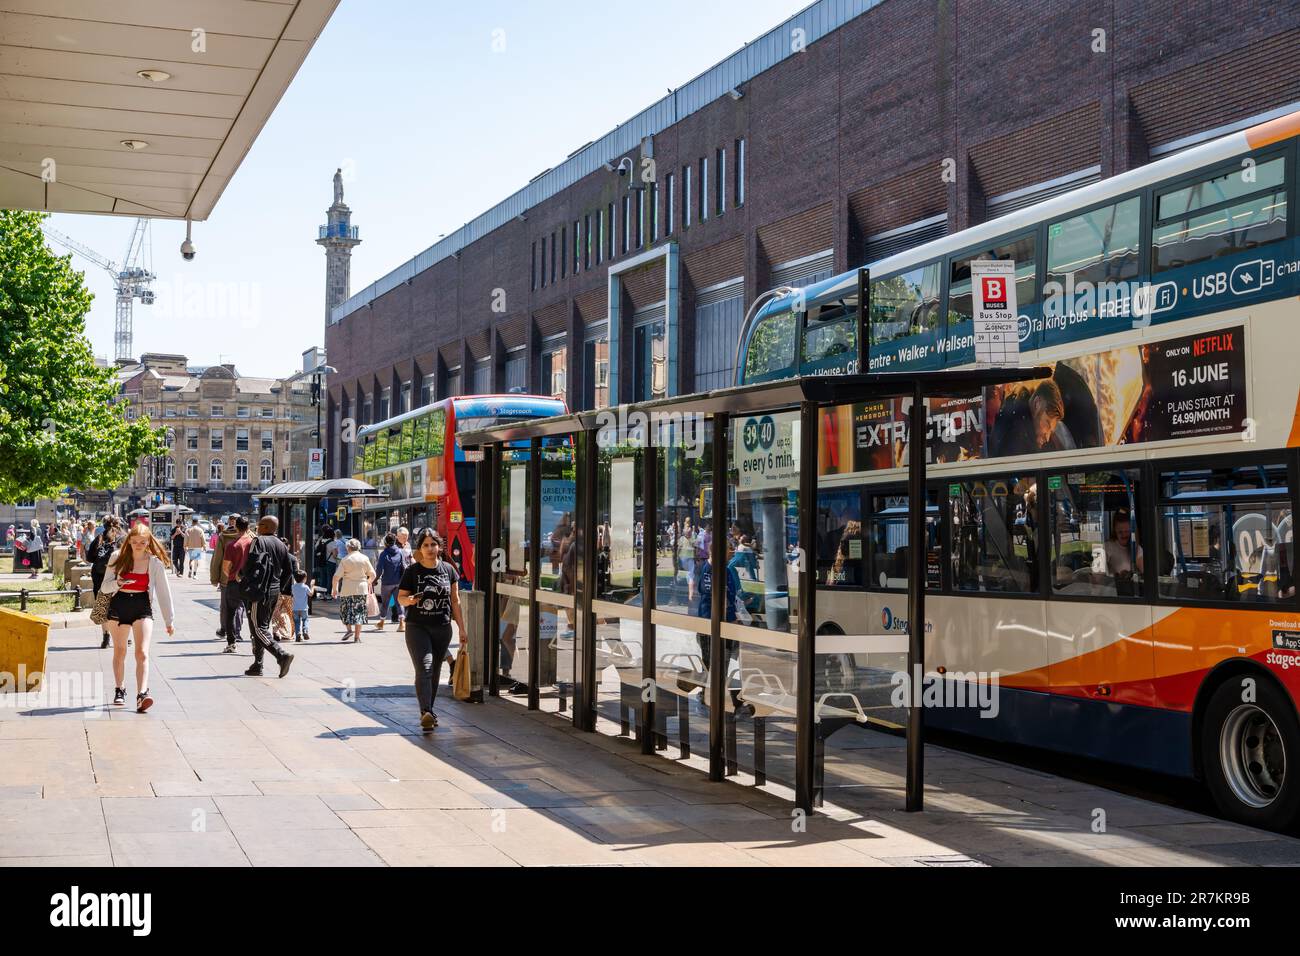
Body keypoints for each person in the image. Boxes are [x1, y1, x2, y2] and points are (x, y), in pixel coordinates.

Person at [396, 529, 467, 731]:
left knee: (435, 671)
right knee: (425, 667)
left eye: (433, 544)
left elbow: (455, 601)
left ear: (439, 547)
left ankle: (430, 711)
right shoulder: (412, 571)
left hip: (443, 627)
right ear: (420, 548)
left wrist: (462, 628)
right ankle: (425, 711)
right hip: (417, 627)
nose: (429, 548)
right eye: (425, 545)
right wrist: (408, 600)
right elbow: (401, 597)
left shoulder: (449, 570)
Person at [100, 523, 175, 712]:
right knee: (120, 650)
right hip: (119, 604)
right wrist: (118, 582)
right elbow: (104, 587)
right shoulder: (117, 557)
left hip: (142, 605)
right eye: (135, 542)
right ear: (129, 541)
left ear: (149, 542)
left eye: (143, 542)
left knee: (142, 652)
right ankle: (120, 688)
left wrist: (169, 621)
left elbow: (164, 593)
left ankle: (142, 694)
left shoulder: (154, 563)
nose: (139, 545)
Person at [238, 516, 296, 678]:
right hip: (274, 591)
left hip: (259, 591)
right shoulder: (281, 545)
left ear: (264, 526)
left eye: (259, 525)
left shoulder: (258, 541)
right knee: (261, 625)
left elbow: (251, 564)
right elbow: (289, 570)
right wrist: (279, 586)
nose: (257, 527)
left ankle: (281, 655)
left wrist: (241, 576)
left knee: (257, 628)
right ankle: (258, 664)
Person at [988, 378, 1065, 458]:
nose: (1047, 437)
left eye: (1051, 431)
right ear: (1037, 404)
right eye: (1047, 424)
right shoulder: (1017, 438)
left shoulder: (1018, 416)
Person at [219, 516, 255, 653]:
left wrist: (231, 576)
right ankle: (254, 640)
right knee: (251, 613)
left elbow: (225, 567)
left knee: (230, 613)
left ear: (236, 527)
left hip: (234, 582)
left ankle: (231, 643)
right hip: (250, 583)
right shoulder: (253, 543)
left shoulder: (232, 546)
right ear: (248, 527)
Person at [331, 538, 376, 643]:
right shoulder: (364, 558)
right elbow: (373, 574)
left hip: (347, 589)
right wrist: (367, 582)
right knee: (359, 613)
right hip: (361, 589)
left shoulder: (345, 559)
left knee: (346, 611)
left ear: (348, 548)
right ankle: (357, 637)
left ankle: (349, 630)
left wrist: (334, 589)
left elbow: (336, 577)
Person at [88, 516, 123, 649]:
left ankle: (106, 637)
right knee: (118, 607)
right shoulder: (121, 539)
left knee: (103, 607)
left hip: (99, 577)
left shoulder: (99, 538)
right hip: (116, 578)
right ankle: (121, 635)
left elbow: (90, 557)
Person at [374, 533, 408, 632]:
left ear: (386, 542)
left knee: (385, 603)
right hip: (398, 582)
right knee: (399, 602)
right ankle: (402, 624)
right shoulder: (400, 552)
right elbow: (404, 566)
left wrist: (375, 580)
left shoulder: (384, 554)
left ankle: (381, 623)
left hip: (386, 583)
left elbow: (379, 569)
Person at [292, 570, 312, 642]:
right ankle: (305, 631)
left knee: (297, 622)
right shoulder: (305, 587)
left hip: (295, 608)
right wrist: (312, 586)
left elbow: (291, 595)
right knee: (305, 620)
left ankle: (298, 634)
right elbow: (310, 594)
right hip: (304, 608)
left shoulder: (293, 587)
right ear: (304, 579)